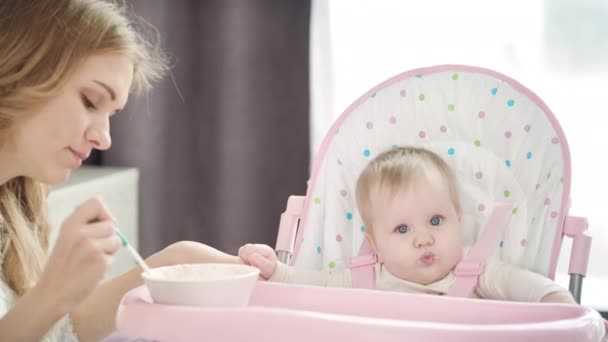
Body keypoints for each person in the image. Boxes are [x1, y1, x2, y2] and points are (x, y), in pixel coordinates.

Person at [0, 1, 241, 341]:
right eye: (91, 101)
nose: (104, 138)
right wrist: (50, 296)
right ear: (21, 68)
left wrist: (172, 264)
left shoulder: (14, 211)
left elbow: (60, 331)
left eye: (111, 114)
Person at [239, 146, 576, 303]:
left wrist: (560, 304)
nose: (423, 238)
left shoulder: (474, 271)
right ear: (375, 245)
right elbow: (315, 283)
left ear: (458, 221)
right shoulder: (367, 278)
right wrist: (277, 271)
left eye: (435, 220)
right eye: (402, 229)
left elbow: (531, 287)